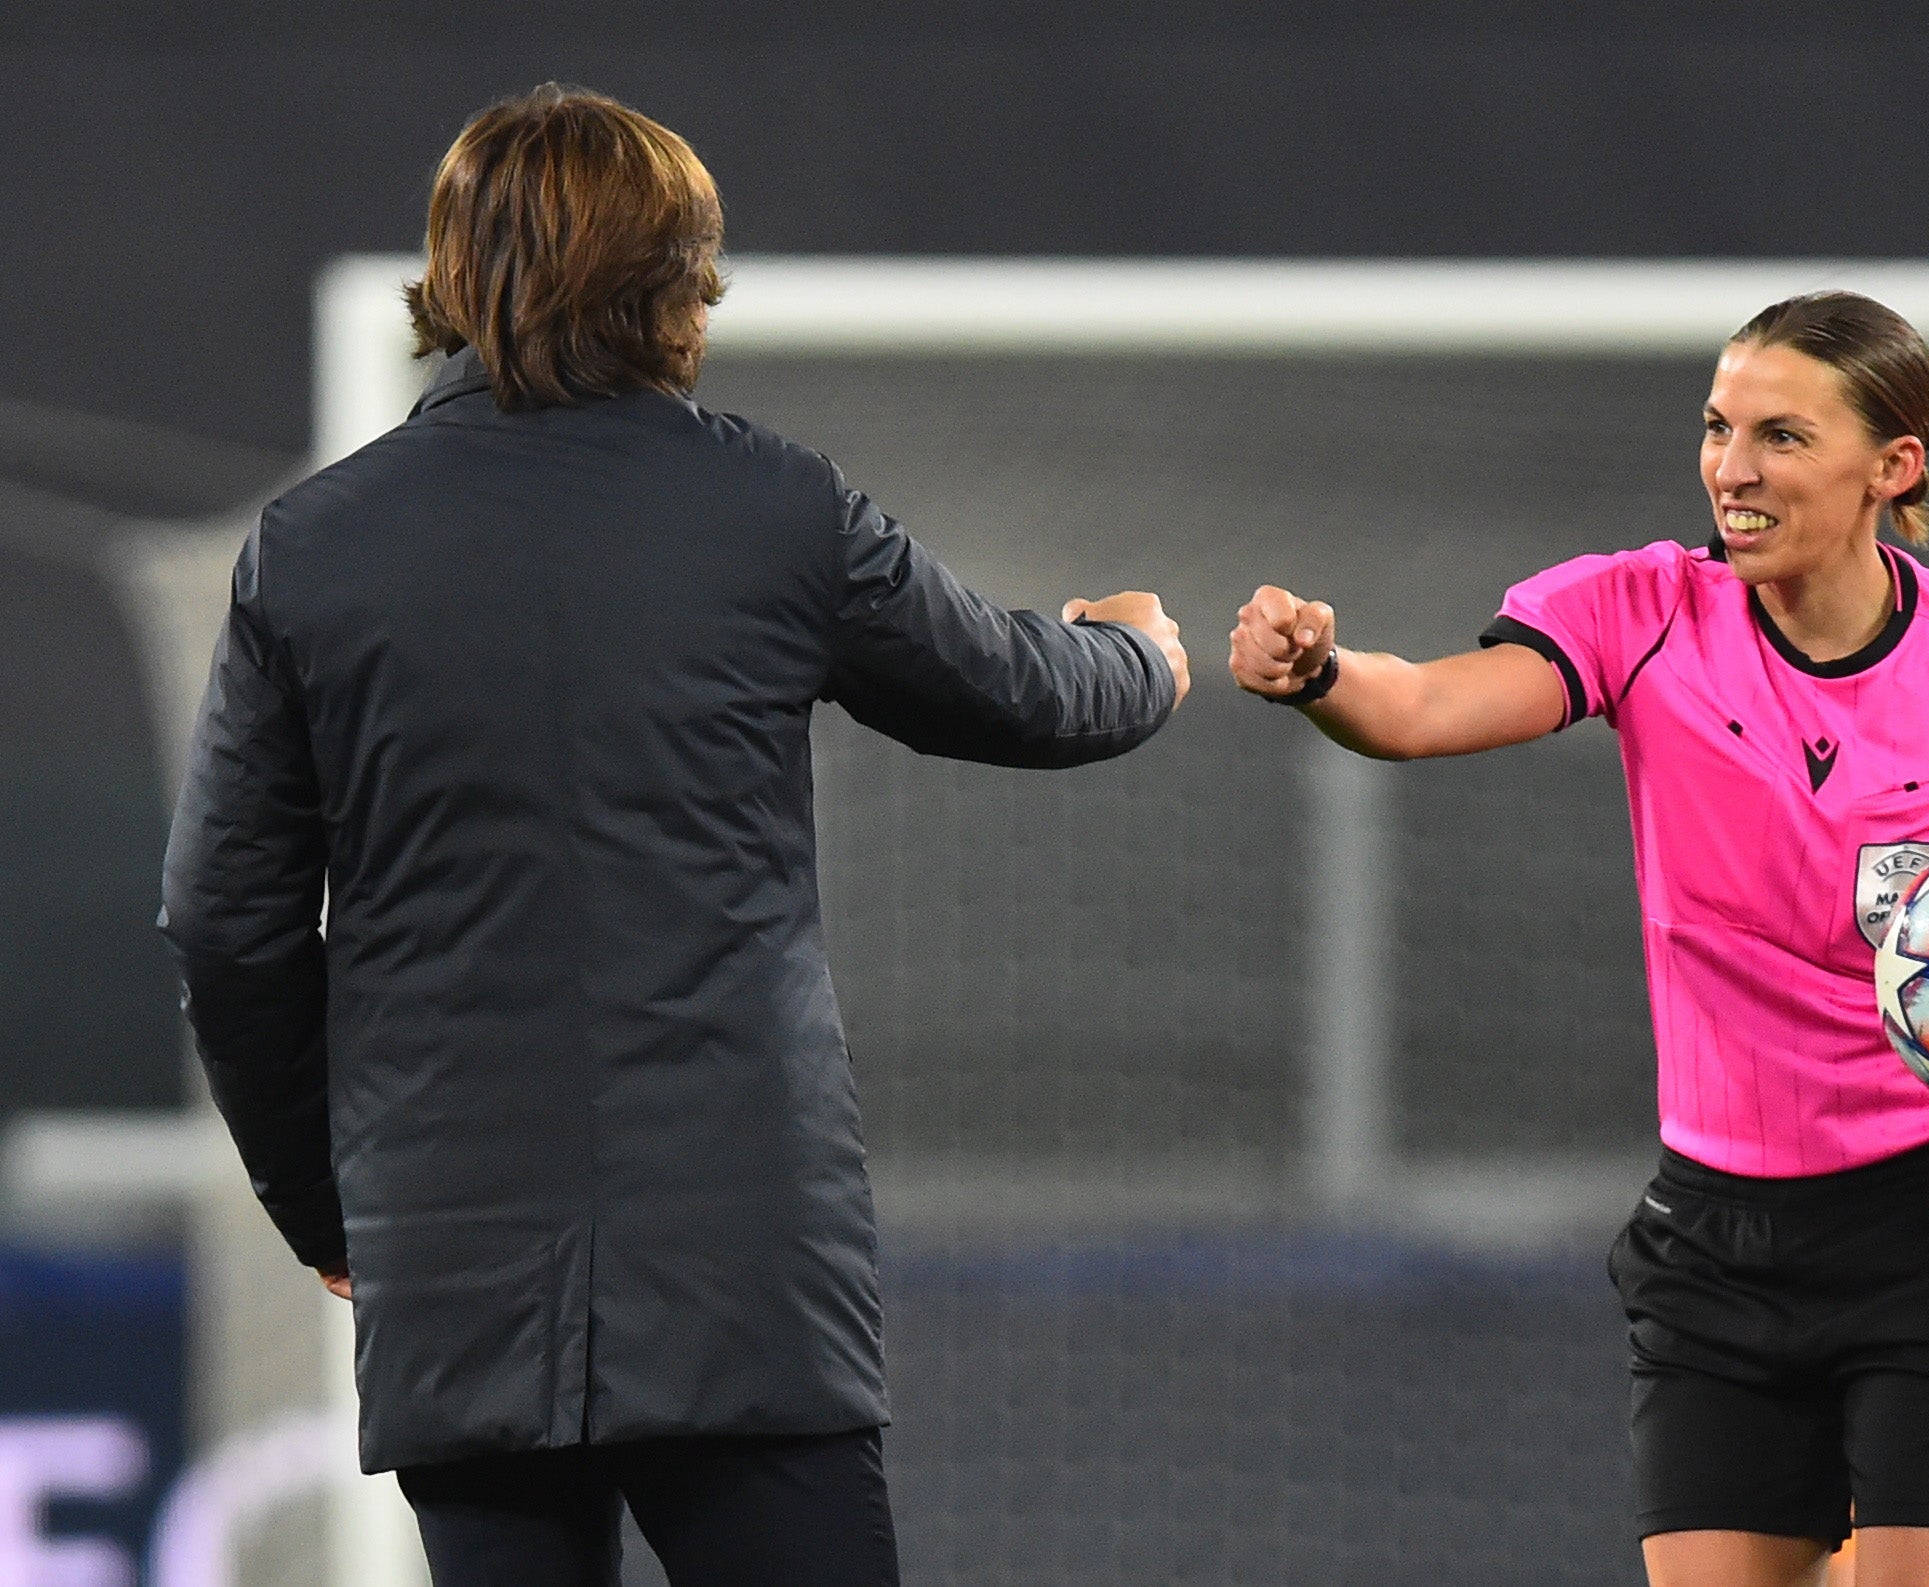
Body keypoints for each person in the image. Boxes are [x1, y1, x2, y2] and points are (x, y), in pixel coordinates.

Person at [160, 85, 1188, 1587]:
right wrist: (1145, 659)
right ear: (674, 283)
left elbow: (225, 923)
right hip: (744, 1265)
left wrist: (327, 1204)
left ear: (454, 274)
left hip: (455, 1257)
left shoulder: (309, 552)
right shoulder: (772, 507)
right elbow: (1018, 690)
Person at [1227, 291, 1929, 1587]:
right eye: (1718, 427)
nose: (1732, 467)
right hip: (1717, 1240)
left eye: (1781, 435)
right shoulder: (1641, 612)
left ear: (1892, 468)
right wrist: (1327, 675)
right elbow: (1427, 705)